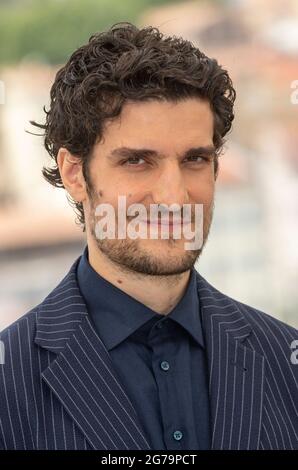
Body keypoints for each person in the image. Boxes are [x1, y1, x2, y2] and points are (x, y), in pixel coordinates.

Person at [0, 22, 297, 450]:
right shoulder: (9, 383)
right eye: (137, 161)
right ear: (74, 174)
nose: (174, 197)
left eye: (195, 159)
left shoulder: (287, 360)